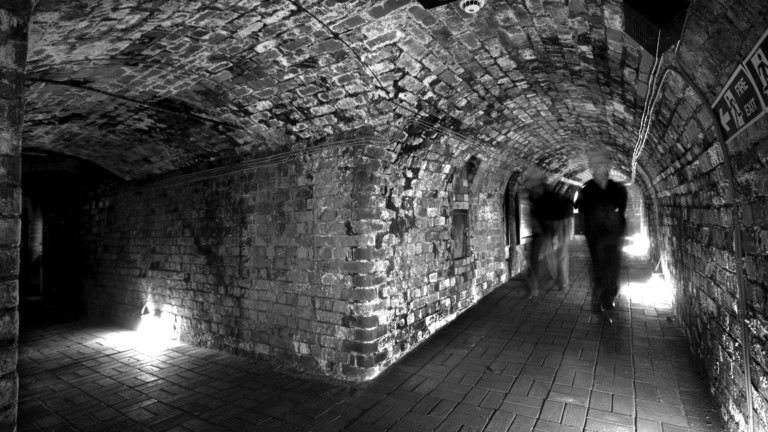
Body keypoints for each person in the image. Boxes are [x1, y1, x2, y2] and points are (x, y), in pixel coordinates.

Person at [575, 150, 627, 311]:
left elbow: (621, 208)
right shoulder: (587, 188)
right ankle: (603, 295)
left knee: (613, 263)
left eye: (601, 165)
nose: (598, 169)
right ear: (592, 169)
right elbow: (579, 208)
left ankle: (610, 289)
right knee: (599, 264)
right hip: (595, 234)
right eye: (595, 166)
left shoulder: (617, 188)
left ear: (607, 168)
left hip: (613, 232)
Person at [525, 169, 574, 297]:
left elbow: (567, 206)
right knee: (549, 253)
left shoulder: (549, 197)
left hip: (562, 221)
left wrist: (554, 231)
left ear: (538, 185)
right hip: (550, 224)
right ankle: (549, 280)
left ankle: (562, 282)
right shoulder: (535, 198)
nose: (530, 188)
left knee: (561, 253)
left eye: (532, 185)